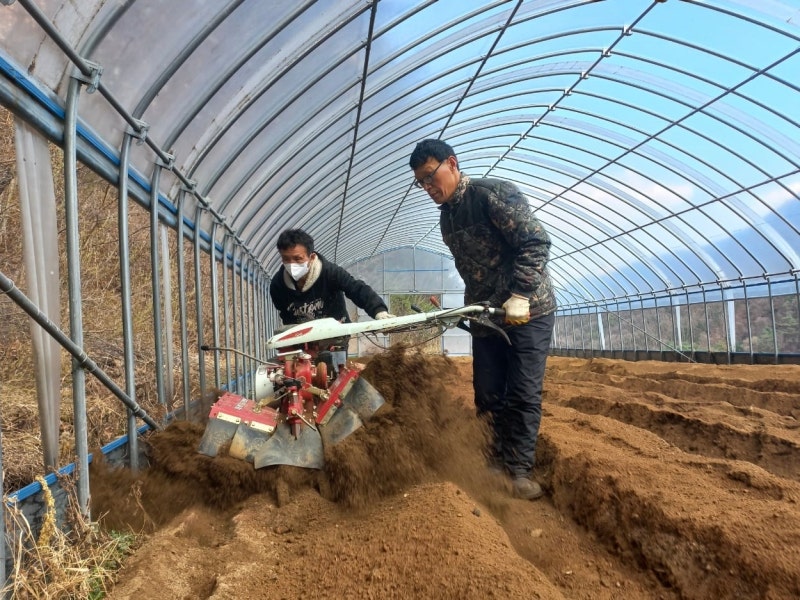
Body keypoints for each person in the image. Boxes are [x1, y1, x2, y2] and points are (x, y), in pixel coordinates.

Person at [409, 139, 557, 501]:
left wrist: (520, 295)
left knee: (522, 392)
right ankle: (493, 463)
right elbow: (475, 270)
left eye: (430, 177)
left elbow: (536, 242)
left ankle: (519, 471)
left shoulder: (493, 195)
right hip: (486, 315)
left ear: (452, 164)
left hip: (529, 311)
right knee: (488, 393)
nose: (428, 188)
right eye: (421, 184)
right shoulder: (448, 216)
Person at [269, 229, 393, 366]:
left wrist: (379, 311)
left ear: (311, 257)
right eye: (286, 259)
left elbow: (356, 289)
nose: (292, 265)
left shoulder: (330, 273)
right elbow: (285, 315)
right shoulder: (278, 286)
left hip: (335, 338)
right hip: (304, 341)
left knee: (335, 372)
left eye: (298, 259)